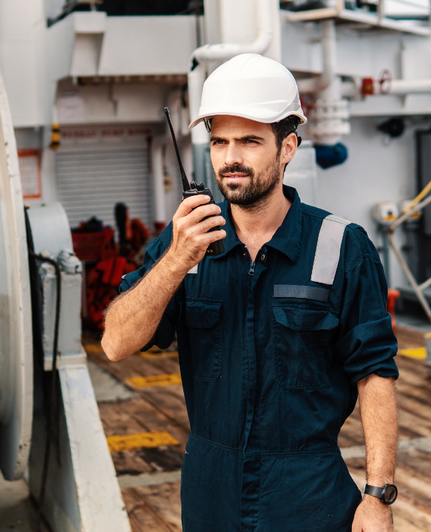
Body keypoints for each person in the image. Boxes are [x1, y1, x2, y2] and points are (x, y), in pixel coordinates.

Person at [101, 53, 399, 532]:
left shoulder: (343, 247)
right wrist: (177, 259)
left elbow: (375, 373)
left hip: (309, 492)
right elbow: (116, 343)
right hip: (209, 490)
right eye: (219, 141)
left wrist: (378, 495)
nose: (230, 158)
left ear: (288, 148)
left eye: (249, 141)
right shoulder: (184, 242)